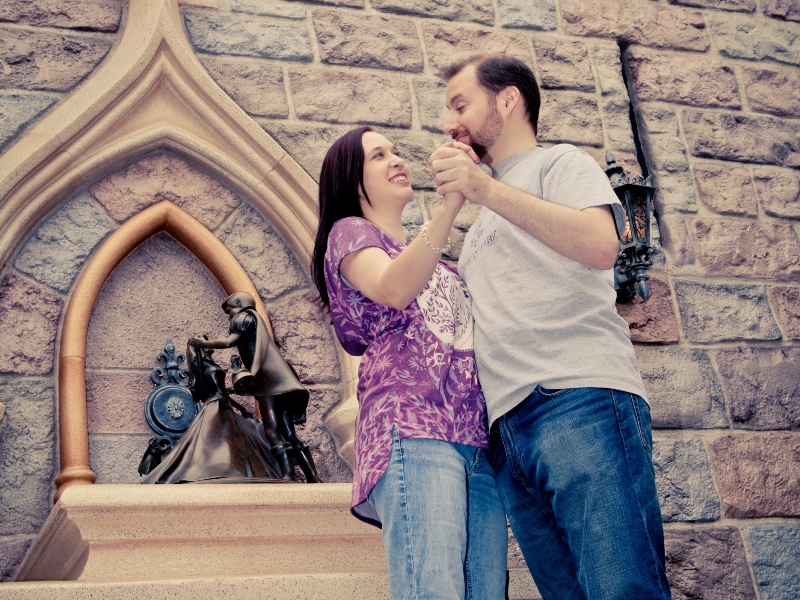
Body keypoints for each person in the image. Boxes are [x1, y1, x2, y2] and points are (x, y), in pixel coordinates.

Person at [428, 55, 671, 600]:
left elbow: (600, 244)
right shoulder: (479, 224)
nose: (450, 123)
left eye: (460, 104)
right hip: (509, 430)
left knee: (621, 589)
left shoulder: (560, 163)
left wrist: (483, 190)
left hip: (576, 398)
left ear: (508, 100)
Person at [311, 126, 507, 599]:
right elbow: (395, 290)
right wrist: (451, 206)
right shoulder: (350, 233)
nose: (397, 160)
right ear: (351, 181)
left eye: (396, 151)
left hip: (475, 440)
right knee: (433, 589)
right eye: (378, 156)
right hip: (412, 428)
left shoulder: (443, 268)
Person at [189, 292, 321, 483]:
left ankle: (288, 475)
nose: (230, 317)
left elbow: (229, 342)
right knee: (289, 433)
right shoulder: (257, 321)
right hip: (283, 381)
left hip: (269, 384)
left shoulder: (244, 317)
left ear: (240, 304)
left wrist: (204, 343)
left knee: (272, 431)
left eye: (230, 311)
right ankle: (313, 477)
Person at [142, 335, 285, 484]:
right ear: (201, 347)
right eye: (204, 340)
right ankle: (222, 471)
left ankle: (229, 471)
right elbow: (218, 392)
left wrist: (237, 400)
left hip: (218, 404)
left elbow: (220, 391)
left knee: (220, 443)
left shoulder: (205, 366)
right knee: (222, 442)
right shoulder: (206, 367)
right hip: (218, 407)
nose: (208, 342)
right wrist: (239, 406)